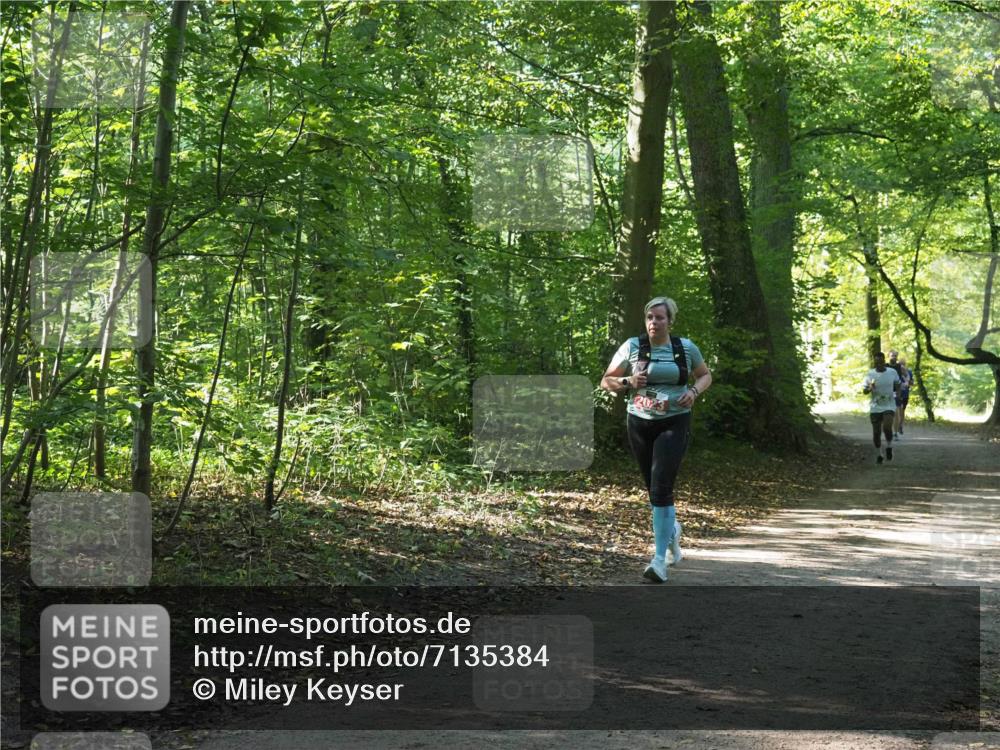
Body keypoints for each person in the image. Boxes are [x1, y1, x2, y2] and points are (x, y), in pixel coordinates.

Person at [601, 297, 712, 583]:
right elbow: (606, 381)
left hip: (675, 420)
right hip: (639, 422)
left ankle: (658, 560)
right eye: (650, 317)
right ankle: (672, 531)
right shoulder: (632, 346)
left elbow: (704, 375)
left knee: (662, 486)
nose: (653, 323)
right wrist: (628, 382)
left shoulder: (685, 348)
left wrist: (694, 392)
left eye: (659, 318)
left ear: (670, 321)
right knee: (653, 489)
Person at [863, 351, 900, 464]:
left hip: (889, 404)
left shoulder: (892, 372)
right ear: (874, 362)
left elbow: (897, 384)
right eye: (876, 362)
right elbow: (864, 391)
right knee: (876, 433)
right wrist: (870, 388)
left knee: (887, 427)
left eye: (880, 362)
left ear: (884, 361)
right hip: (875, 406)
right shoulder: (870, 374)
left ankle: (889, 447)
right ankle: (879, 454)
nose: (878, 364)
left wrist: (898, 393)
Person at [894, 357, 913, 437]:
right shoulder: (895, 372)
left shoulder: (909, 372)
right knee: (898, 410)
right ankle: (897, 427)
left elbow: (911, 383)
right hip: (897, 394)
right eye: (900, 364)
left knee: (902, 410)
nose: (902, 365)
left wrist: (908, 382)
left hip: (905, 394)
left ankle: (900, 425)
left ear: (905, 364)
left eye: (903, 364)